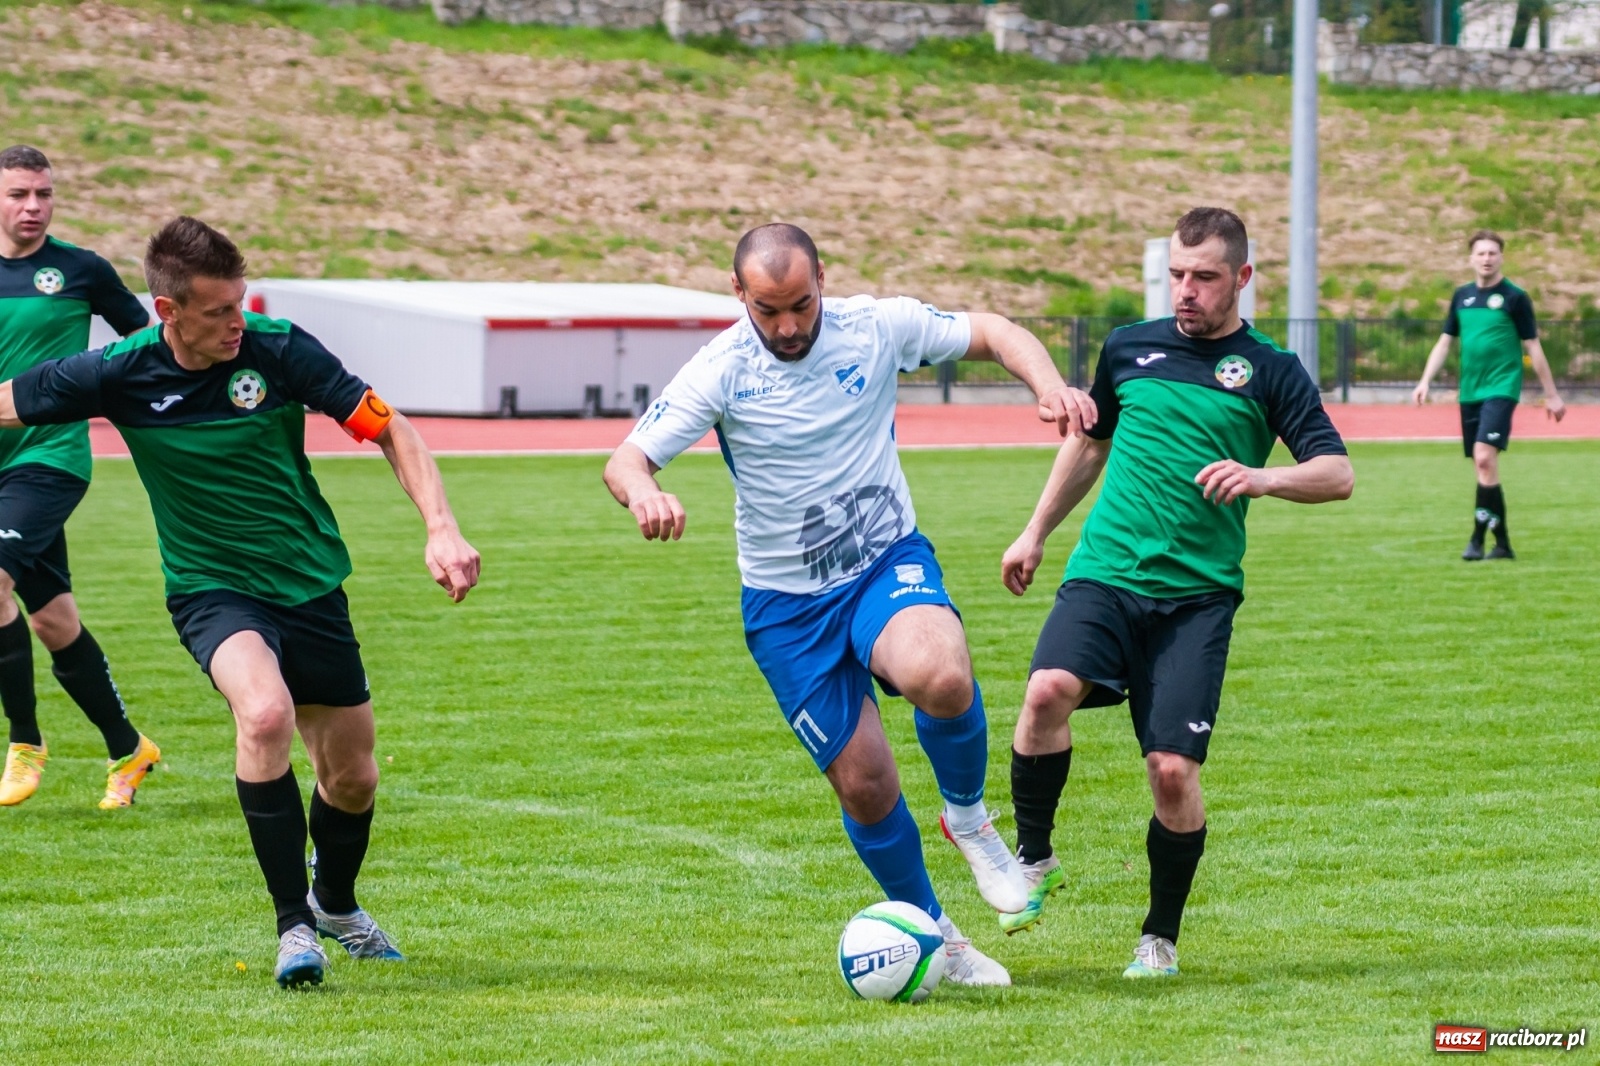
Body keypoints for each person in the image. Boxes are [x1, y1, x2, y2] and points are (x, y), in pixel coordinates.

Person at [604, 222, 1098, 988]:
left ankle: (969, 820)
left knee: (939, 671)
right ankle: (940, 937)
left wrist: (1049, 386)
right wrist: (646, 493)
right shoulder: (721, 368)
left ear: (822, 279)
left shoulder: (875, 327)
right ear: (739, 296)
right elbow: (627, 459)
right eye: (769, 310)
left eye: (801, 304)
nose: (790, 326)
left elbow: (995, 331)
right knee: (866, 783)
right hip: (785, 609)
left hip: (880, 563)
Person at [0, 217, 481, 989]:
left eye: (241, 304)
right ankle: (295, 927)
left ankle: (334, 903)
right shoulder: (116, 370)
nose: (237, 322)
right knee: (262, 714)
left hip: (310, 583)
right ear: (167, 311)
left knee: (352, 776)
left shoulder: (280, 348)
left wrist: (442, 528)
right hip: (210, 590)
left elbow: (393, 431)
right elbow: (8, 402)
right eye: (220, 310)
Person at [999, 207, 1353, 977]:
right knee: (1046, 691)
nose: (1187, 291)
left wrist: (1262, 477)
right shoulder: (1129, 347)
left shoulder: (1272, 371)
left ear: (1243, 280)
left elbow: (1338, 473)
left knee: (1171, 772)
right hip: (1107, 572)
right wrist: (1035, 532)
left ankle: (1158, 936)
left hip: (1197, 599)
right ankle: (1032, 858)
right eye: (1178, 276)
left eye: (1206, 278)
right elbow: (1089, 446)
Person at [0, 144, 160, 809]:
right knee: (53, 622)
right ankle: (130, 750)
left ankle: (25, 743)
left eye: (44, 194)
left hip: (49, 459)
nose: (33, 207)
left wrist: (95, 389)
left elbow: (145, 340)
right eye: (18, 195)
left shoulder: (79, 270)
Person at [1412, 229, 1566, 561]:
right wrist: (1425, 379)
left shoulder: (1514, 298)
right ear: (1471, 258)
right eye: (1481, 253)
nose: (1487, 259)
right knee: (1485, 469)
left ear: (1501, 257)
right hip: (1470, 392)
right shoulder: (1462, 296)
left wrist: (1551, 394)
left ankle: (1476, 539)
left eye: (1492, 253)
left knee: (1484, 456)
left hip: (1501, 387)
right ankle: (1503, 544)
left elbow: (1533, 347)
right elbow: (1444, 342)